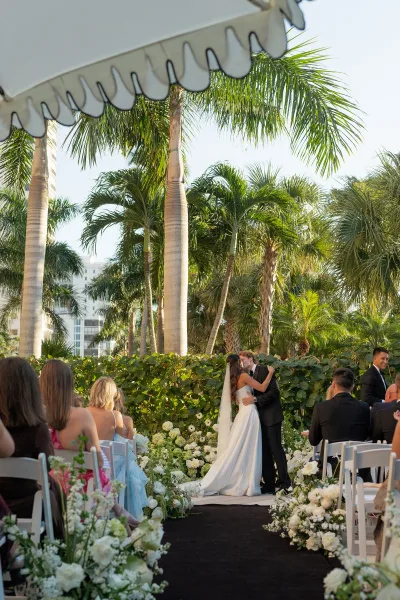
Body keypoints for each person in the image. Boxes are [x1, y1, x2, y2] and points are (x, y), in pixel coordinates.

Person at [40, 360, 138, 528]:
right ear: (69, 384)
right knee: (96, 474)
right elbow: (97, 461)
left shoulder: (37, 416)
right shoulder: (82, 415)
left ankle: (122, 513)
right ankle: (122, 514)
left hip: (48, 490)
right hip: (81, 494)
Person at [0, 357, 64, 538]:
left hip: (2, 506)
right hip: (29, 509)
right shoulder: (37, 430)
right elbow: (49, 466)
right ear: (31, 390)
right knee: (51, 490)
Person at [201, 354, 275, 497]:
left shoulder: (232, 380)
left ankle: (239, 478)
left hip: (242, 414)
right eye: (240, 360)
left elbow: (237, 400)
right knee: (249, 447)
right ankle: (246, 480)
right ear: (237, 363)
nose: (242, 362)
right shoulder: (243, 377)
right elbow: (263, 387)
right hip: (249, 414)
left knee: (240, 447)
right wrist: (271, 372)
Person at [88, 377, 148, 519]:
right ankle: (125, 514)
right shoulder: (115, 416)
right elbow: (124, 445)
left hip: (88, 467)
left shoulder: (83, 413)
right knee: (130, 471)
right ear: (112, 395)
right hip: (109, 470)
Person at [239, 351, 290, 494]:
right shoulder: (245, 376)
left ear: (250, 358)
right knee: (264, 452)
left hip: (271, 416)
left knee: (276, 449)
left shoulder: (265, 370)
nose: (242, 363)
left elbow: (274, 392)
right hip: (256, 419)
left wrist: (255, 400)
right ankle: (269, 483)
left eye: (243, 360)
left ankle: (285, 482)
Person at [309, 368, 370, 475]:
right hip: (359, 469)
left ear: (333, 385)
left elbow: (313, 440)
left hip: (331, 470)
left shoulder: (322, 408)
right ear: (352, 387)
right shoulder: (364, 407)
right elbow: (367, 435)